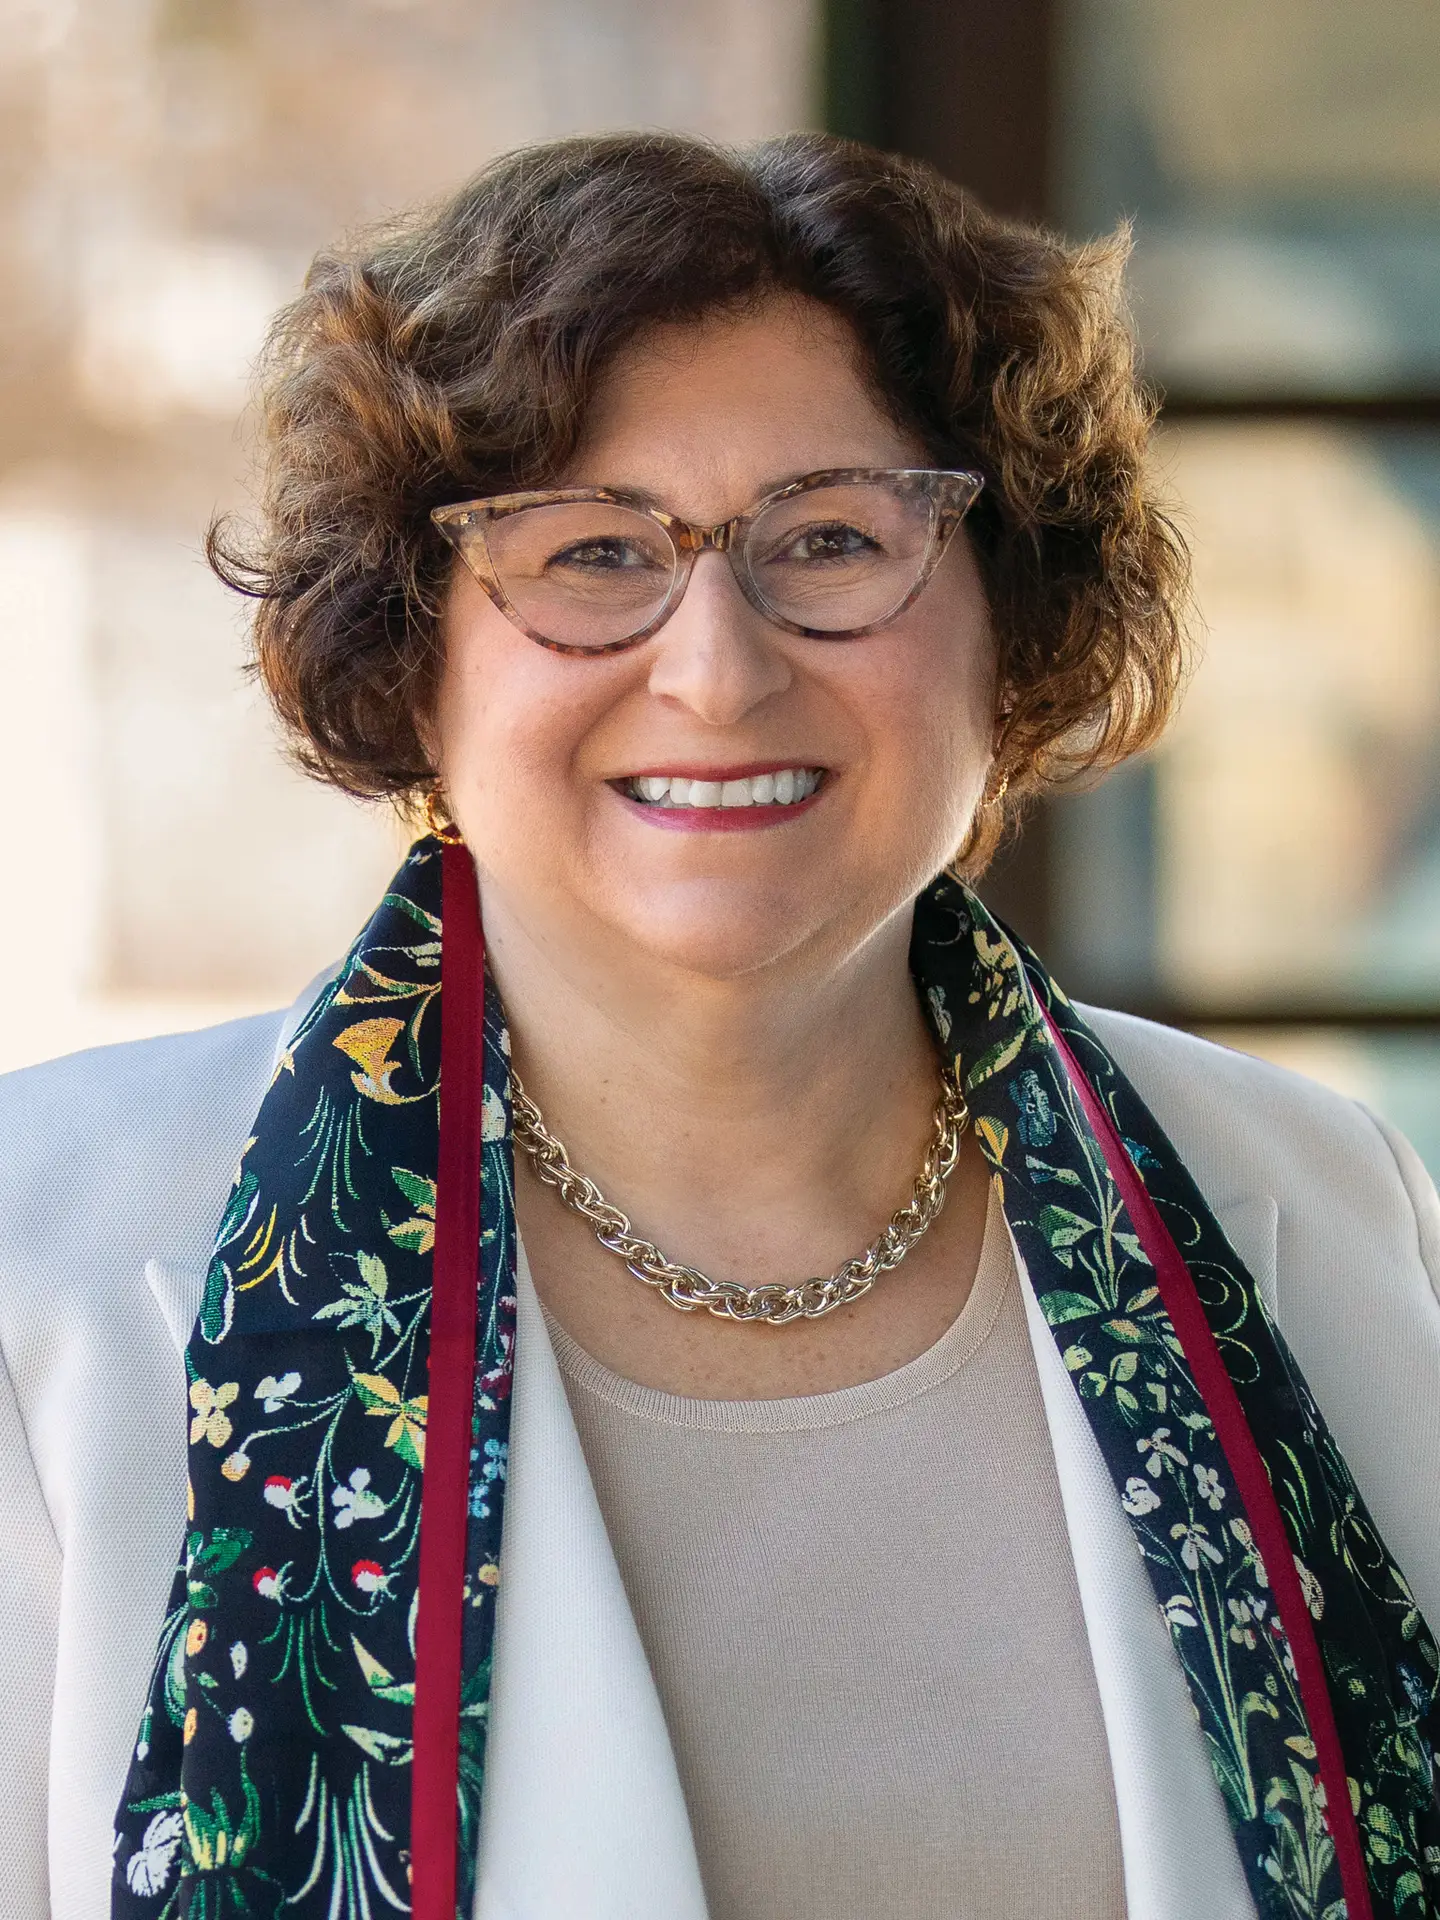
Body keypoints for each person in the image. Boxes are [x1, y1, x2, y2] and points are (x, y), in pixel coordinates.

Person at [0, 130, 1436, 1920]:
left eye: (833, 536)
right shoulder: (42, 1271)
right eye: (594, 552)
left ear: (1015, 620)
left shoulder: (1324, 1201)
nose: (716, 666)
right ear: (414, 648)